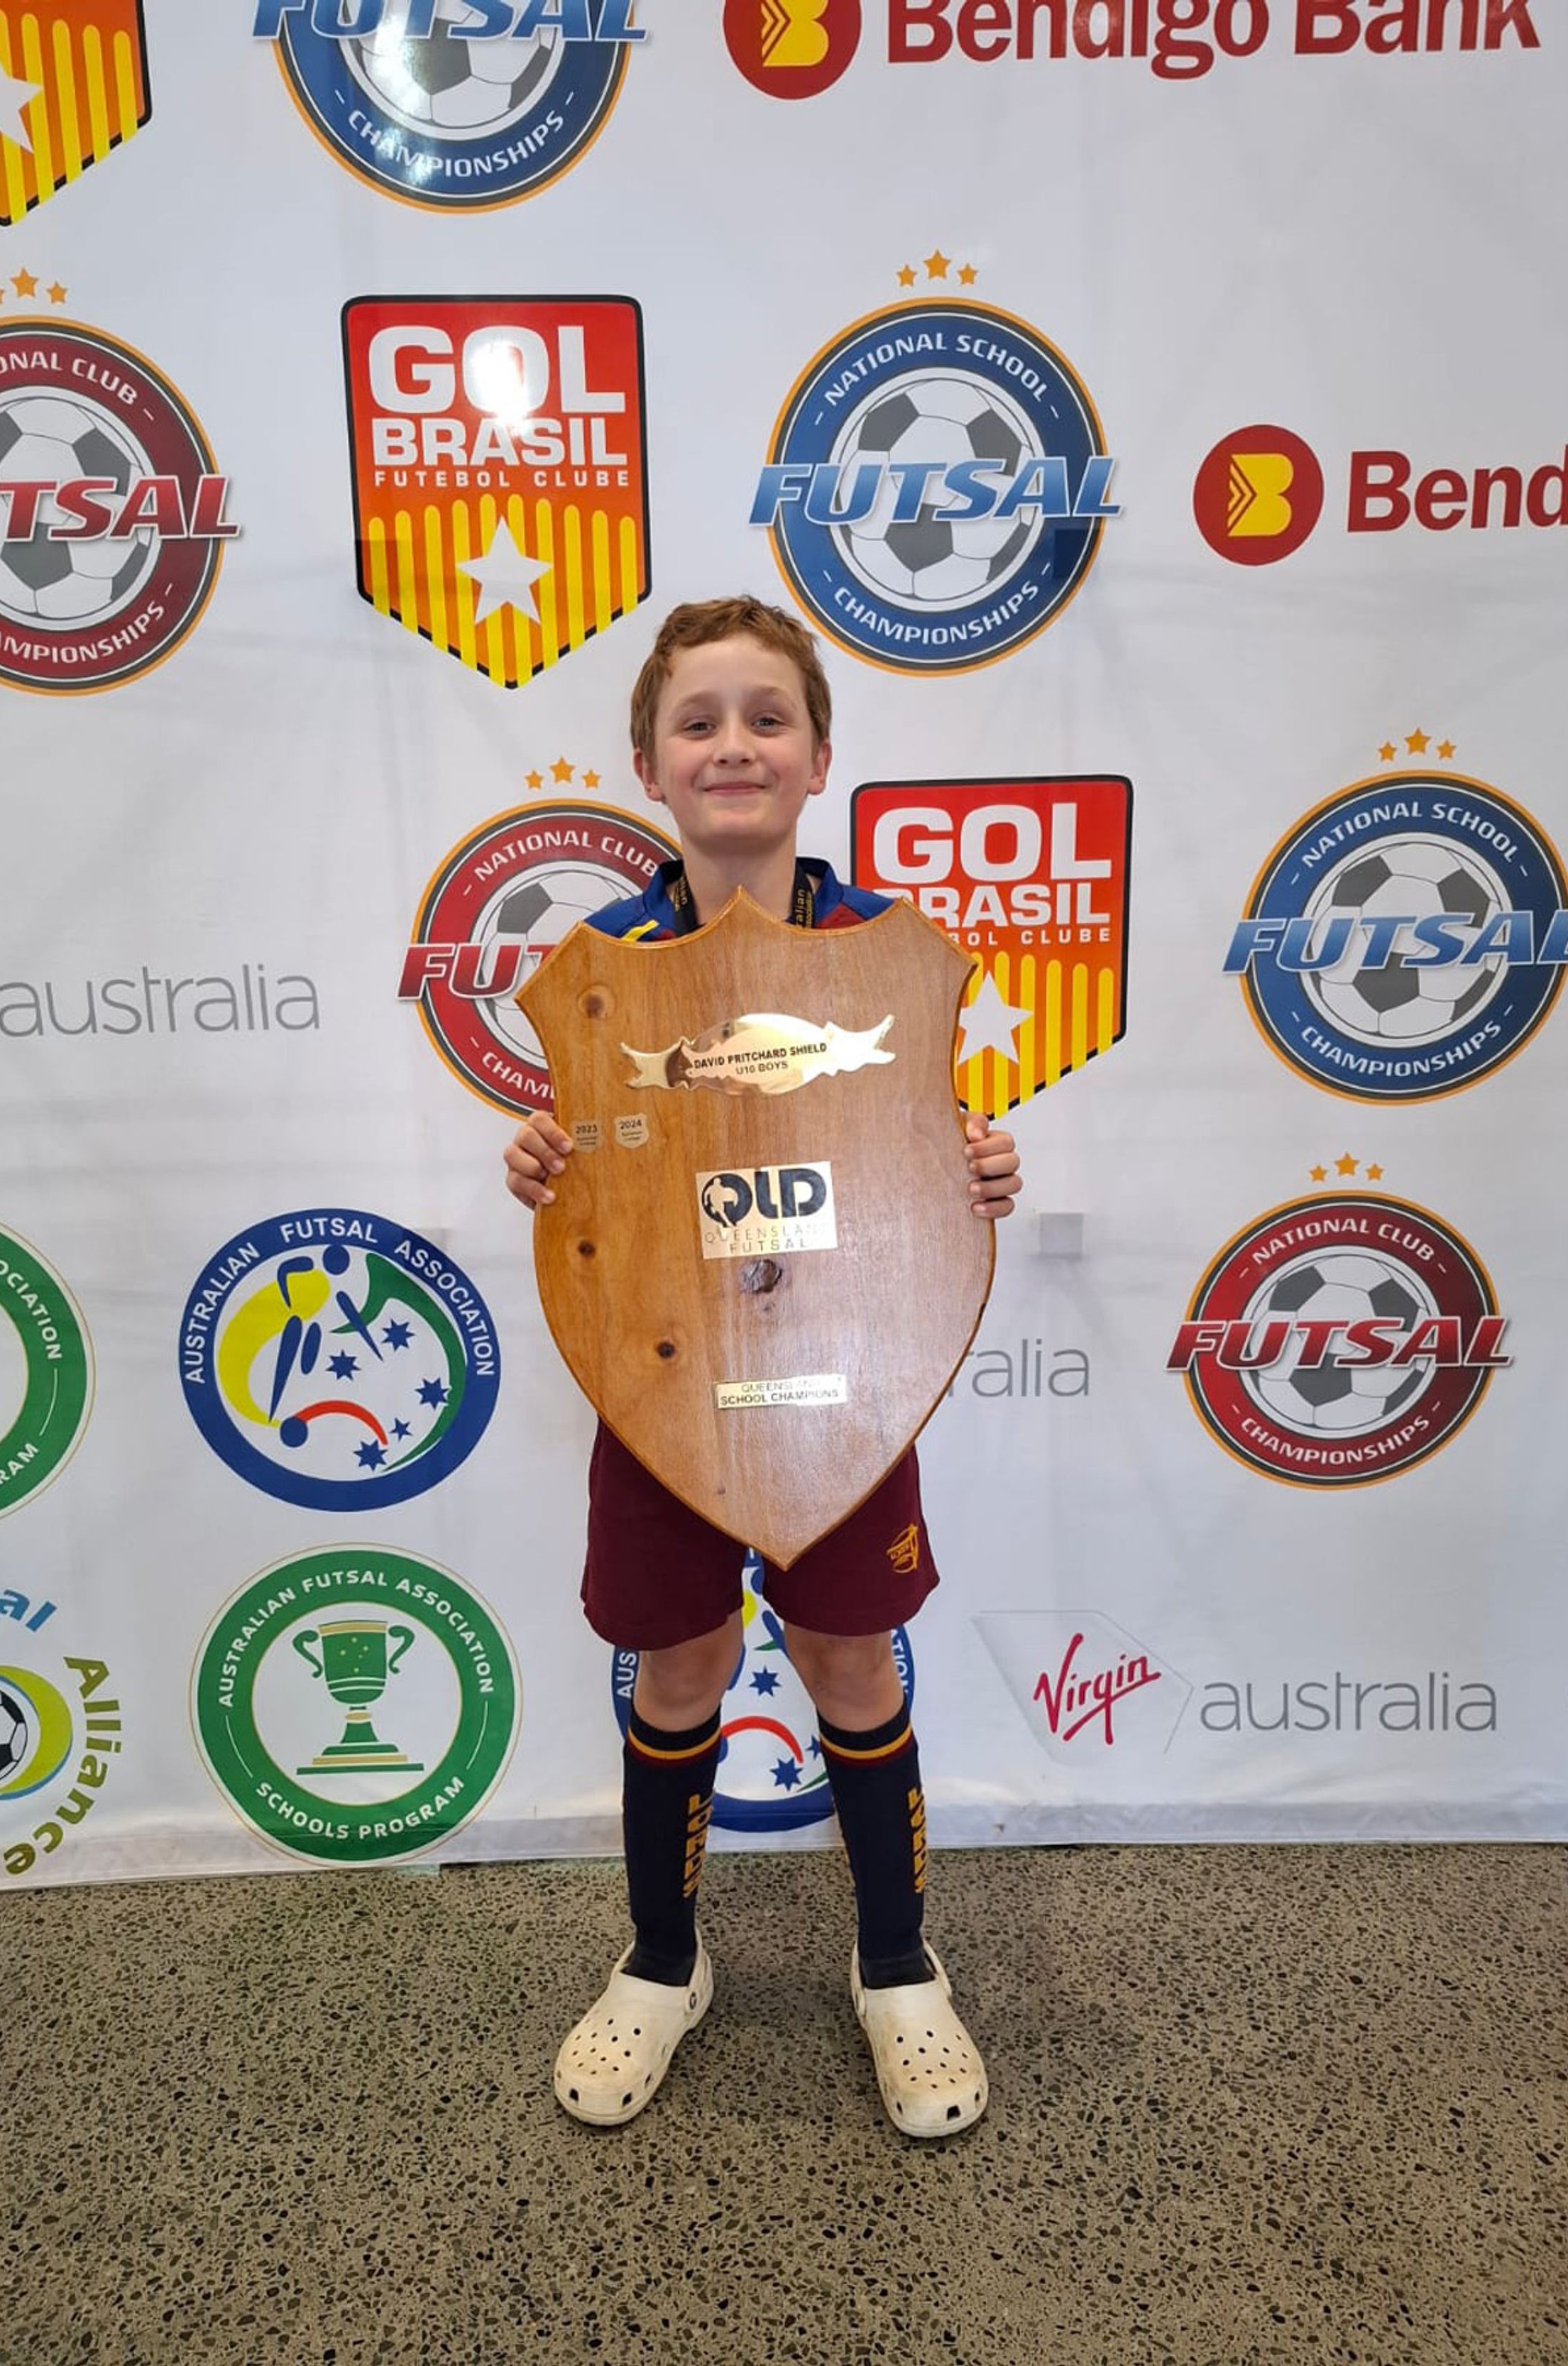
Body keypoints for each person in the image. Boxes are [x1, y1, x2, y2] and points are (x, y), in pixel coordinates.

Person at [503, 595, 1023, 2137]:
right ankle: (662, 1962)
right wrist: (545, 1161)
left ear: (817, 756)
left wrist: (973, 1167)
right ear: (648, 765)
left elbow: (913, 1153)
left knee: (852, 1661)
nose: (733, 744)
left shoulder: (882, 953)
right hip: (665, 1383)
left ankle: (897, 1966)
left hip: (843, 1385)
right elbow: (598, 1172)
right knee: (678, 1668)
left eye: (766, 717)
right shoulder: (603, 970)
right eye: (698, 720)